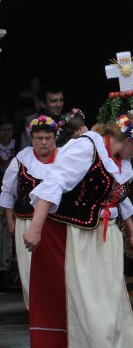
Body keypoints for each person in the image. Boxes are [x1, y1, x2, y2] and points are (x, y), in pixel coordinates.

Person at [23, 114, 133, 348]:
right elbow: (54, 182)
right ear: (129, 141)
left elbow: (117, 198)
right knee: (89, 301)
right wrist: (35, 227)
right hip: (77, 237)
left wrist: (131, 233)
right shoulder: (86, 148)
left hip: (106, 239)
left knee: (109, 300)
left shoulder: (119, 160)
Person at [0, 115, 57, 308]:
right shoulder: (21, 159)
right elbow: (7, 192)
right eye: (39, 138)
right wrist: (10, 221)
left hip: (56, 223)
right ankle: (34, 310)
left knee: (54, 268)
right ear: (31, 139)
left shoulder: (64, 160)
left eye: (48, 138)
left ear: (54, 138)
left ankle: (55, 311)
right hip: (25, 222)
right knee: (29, 269)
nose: (43, 142)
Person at [19, 86, 64, 151]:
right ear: (43, 104)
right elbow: (24, 151)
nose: (59, 105)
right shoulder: (30, 121)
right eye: (54, 101)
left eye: (61, 100)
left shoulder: (66, 120)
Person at [0, 115, 15, 285]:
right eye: (3, 130)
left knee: (9, 230)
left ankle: (7, 267)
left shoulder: (16, 148)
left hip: (11, 197)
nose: (6, 133)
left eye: (8, 130)